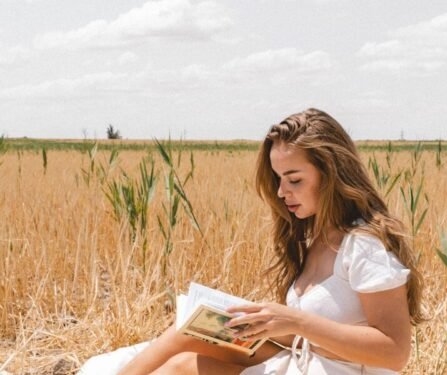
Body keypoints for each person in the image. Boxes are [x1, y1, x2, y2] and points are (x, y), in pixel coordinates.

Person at [79, 108, 424, 374]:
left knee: (180, 367)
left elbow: (394, 351)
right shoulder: (315, 236)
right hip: (300, 360)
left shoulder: (364, 246)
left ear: (331, 173)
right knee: (185, 351)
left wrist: (294, 321)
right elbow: (322, 331)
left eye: (294, 179)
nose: (281, 192)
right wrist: (263, 320)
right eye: (278, 179)